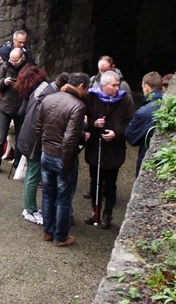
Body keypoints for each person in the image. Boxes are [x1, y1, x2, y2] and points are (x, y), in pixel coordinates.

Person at [35, 73, 89, 247]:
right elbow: (70, 138)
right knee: (63, 199)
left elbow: (38, 126)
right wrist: (66, 161)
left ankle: (48, 231)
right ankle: (61, 236)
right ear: (81, 86)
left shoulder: (49, 99)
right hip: (62, 156)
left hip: (46, 152)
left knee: (48, 194)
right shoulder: (78, 106)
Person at [83, 70, 135, 230]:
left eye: (118, 85)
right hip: (95, 148)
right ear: (104, 86)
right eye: (114, 85)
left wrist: (116, 134)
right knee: (95, 182)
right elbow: (84, 118)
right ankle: (95, 211)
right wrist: (94, 124)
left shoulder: (125, 100)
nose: (117, 88)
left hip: (114, 150)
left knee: (110, 185)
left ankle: (107, 214)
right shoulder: (91, 97)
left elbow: (130, 123)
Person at [14, 64, 52, 225]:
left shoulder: (34, 93)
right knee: (33, 175)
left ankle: (29, 207)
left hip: (26, 139)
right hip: (34, 141)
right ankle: (30, 209)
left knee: (31, 173)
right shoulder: (43, 93)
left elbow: (22, 113)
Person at [0, 47, 28, 175]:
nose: (13, 62)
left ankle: (17, 165)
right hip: (5, 107)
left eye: (16, 61)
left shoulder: (28, 68)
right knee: (0, 138)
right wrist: (4, 82)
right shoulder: (5, 66)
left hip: (20, 108)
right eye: (11, 60)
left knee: (20, 139)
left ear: (22, 58)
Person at [125, 71, 164, 177]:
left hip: (147, 156)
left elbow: (131, 137)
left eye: (142, 87)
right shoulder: (169, 104)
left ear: (146, 87)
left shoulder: (143, 112)